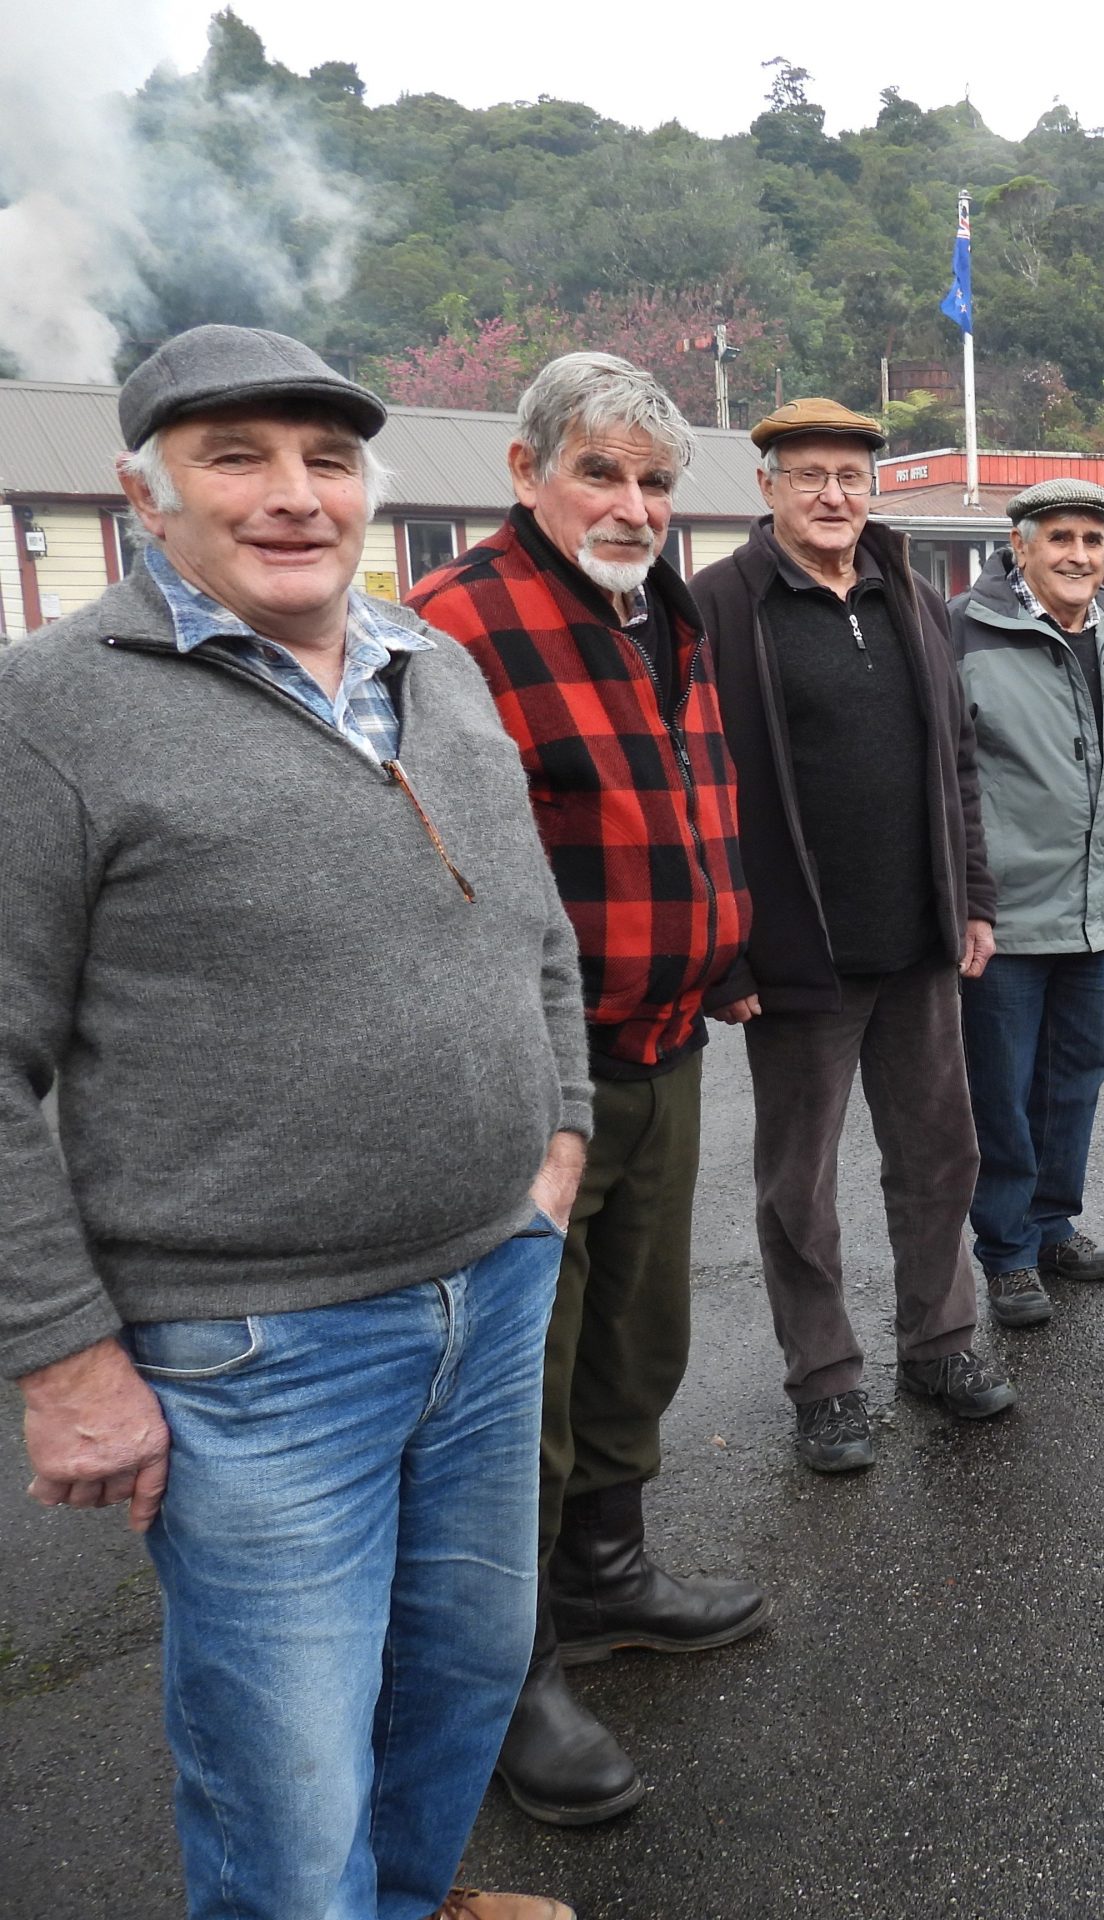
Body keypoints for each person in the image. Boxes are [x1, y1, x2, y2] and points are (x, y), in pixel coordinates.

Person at [0, 325, 582, 1920]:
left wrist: (563, 1144)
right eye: (236, 455)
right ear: (145, 493)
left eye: (327, 460)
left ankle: (409, 1904)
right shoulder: (49, 711)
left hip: (493, 1287)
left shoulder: (433, 668)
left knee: (461, 1672)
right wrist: (61, 1361)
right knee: (284, 1766)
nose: (293, 495)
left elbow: (533, 928)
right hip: (253, 1354)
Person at [408, 352, 766, 1830]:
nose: (634, 506)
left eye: (657, 483)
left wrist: (724, 948)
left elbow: (672, 811)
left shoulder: (656, 609)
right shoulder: (450, 632)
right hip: (534, 1083)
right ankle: (508, 1669)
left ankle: (609, 1577)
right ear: (524, 471)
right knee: (516, 1391)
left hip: (667, 1043)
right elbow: (430, 883)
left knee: (635, 1340)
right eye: (602, 473)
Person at [691, 399, 1017, 1470]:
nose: (834, 496)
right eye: (810, 476)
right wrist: (724, 951)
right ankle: (825, 1382)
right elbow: (695, 792)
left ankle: (939, 1342)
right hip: (797, 961)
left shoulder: (912, 597)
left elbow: (957, 764)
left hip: (916, 943)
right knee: (801, 1186)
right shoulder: (718, 609)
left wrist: (971, 898)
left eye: (851, 477)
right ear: (768, 488)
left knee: (940, 1156)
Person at [947, 480, 1104, 1326]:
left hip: (1090, 907)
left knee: (1074, 1078)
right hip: (1003, 915)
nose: (1079, 554)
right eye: (1061, 537)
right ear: (1021, 543)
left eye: (1093, 538)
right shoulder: (964, 628)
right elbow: (947, 780)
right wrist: (968, 894)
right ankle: (1004, 1253)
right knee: (1001, 1089)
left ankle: (1050, 1224)